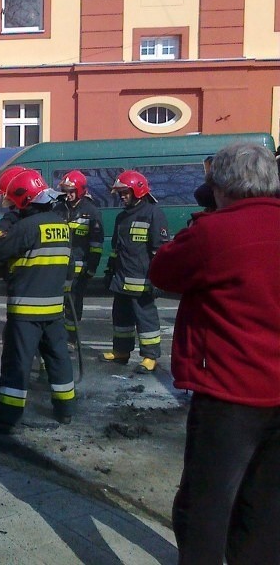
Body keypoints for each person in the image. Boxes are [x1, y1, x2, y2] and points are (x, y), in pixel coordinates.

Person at [150, 143, 280, 565]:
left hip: (230, 395)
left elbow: (163, 272)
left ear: (221, 186)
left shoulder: (215, 232)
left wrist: (203, 221)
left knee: (203, 507)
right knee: (264, 509)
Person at [0, 169, 75, 434]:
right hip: (54, 310)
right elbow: (68, 268)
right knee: (58, 359)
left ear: (24, 199)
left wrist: (7, 232)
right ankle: (65, 410)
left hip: (26, 311)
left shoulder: (27, 227)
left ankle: (4, 420)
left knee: (16, 366)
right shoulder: (61, 226)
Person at [98, 170, 168, 374]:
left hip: (141, 279)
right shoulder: (122, 216)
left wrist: (157, 279)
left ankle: (150, 356)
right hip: (121, 279)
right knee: (121, 319)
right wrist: (110, 272)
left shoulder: (153, 213)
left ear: (138, 191)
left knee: (145, 319)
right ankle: (121, 351)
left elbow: (160, 251)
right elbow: (116, 249)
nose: (121, 196)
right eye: (120, 192)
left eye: (125, 192)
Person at [54, 170, 104, 345]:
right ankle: (57, 337)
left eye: (71, 191)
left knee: (73, 305)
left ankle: (71, 339)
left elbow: (96, 245)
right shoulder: (58, 209)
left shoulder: (91, 212)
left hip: (78, 270)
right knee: (57, 304)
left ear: (81, 190)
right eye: (65, 191)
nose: (68, 195)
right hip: (58, 268)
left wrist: (91, 268)